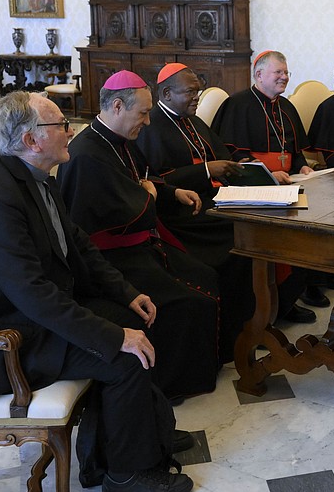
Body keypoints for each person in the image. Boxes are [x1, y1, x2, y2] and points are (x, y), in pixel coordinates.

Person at [0, 91, 193, 492]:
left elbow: (79, 247)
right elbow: (33, 295)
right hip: (2, 344)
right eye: (60, 125)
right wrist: (115, 338)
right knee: (124, 353)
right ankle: (127, 474)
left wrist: (127, 295)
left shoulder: (34, 177)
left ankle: (130, 438)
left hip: (32, 322)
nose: (70, 131)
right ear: (31, 140)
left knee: (141, 321)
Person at [56, 71, 223, 399]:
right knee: (189, 298)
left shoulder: (119, 141)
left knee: (206, 275)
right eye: (143, 113)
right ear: (117, 106)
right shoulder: (87, 155)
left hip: (138, 246)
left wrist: (170, 192)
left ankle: (201, 370)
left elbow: (142, 179)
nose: (148, 122)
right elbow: (130, 203)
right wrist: (150, 194)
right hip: (110, 259)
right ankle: (170, 387)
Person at [135, 62, 315, 330]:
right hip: (185, 212)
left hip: (217, 198)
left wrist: (265, 181)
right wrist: (206, 171)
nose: (197, 97)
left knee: (280, 218)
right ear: (166, 94)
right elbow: (155, 181)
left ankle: (280, 301)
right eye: (190, 92)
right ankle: (246, 317)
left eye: (198, 90)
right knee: (246, 234)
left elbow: (226, 162)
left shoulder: (194, 121)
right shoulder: (150, 127)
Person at [213, 50, 334, 312]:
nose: (284, 77)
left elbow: (295, 151)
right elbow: (233, 156)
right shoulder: (237, 105)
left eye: (286, 72)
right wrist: (268, 174)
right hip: (254, 187)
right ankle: (281, 300)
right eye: (278, 72)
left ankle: (307, 284)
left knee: (320, 215)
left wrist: (302, 167)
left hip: (288, 183)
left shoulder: (285, 106)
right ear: (259, 75)